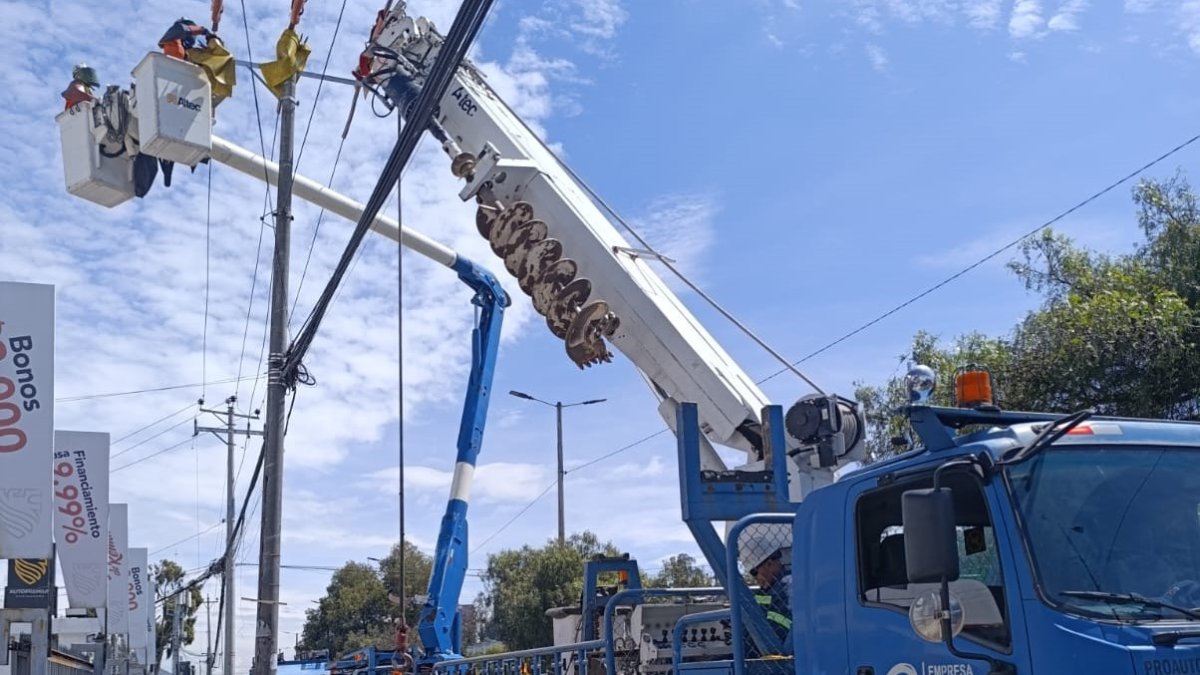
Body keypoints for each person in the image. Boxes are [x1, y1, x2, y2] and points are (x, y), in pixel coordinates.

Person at [742, 529, 793, 650]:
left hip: (777, 657)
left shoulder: (788, 588)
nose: (755, 578)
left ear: (769, 564)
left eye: (754, 572)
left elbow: (780, 632)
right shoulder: (769, 588)